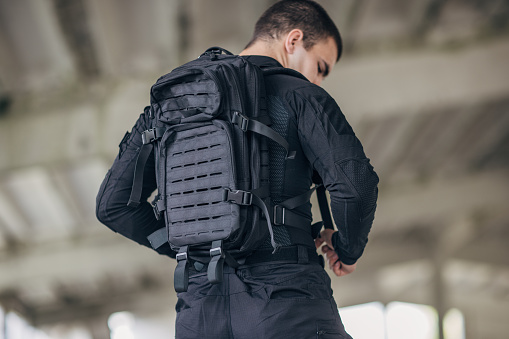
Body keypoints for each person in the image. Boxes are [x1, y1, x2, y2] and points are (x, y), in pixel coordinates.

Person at [96, 0, 379, 338]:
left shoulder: (170, 105)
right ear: (293, 40)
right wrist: (347, 249)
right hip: (287, 302)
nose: (318, 80)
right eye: (320, 66)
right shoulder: (301, 95)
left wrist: (191, 243)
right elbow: (356, 185)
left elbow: (113, 205)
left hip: (199, 310)